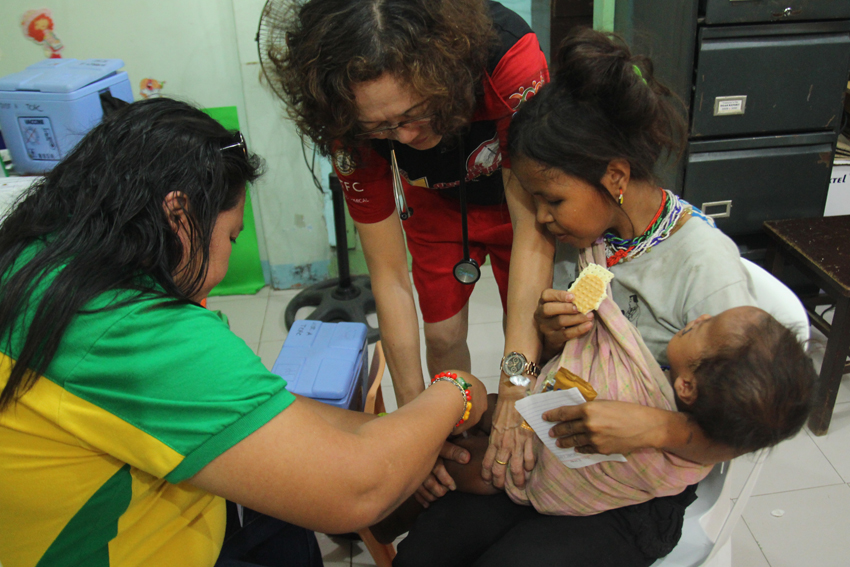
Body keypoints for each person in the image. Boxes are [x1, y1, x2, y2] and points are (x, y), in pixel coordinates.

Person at [0, 98, 489, 567]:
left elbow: (264, 413)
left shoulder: (37, 264)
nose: (222, 268)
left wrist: (397, 434)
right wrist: (458, 391)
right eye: (231, 237)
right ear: (178, 217)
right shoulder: (132, 331)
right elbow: (358, 489)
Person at [395, 29, 765, 566]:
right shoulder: (593, 243)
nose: (541, 219)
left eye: (552, 199)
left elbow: (743, 432)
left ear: (614, 175)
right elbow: (567, 364)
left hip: (636, 487)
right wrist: (549, 338)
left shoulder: (705, 266)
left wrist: (652, 426)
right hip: (560, 446)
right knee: (428, 547)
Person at [376, 260, 814, 544]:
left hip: (546, 467)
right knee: (478, 416)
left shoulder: (664, 410)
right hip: (544, 406)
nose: (699, 317)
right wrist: (550, 338)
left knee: (456, 461)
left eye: (706, 327)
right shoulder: (687, 392)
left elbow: (739, 433)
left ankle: (380, 519)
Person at [269, 0, 549, 409]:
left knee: (527, 328)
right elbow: (389, 275)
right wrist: (415, 417)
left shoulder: (507, 59)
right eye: (380, 127)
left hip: (519, 202)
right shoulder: (346, 120)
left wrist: (513, 391)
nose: (403, 136)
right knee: (442, 335)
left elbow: (531, 231)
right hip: (434, 202)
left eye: (416, 113)